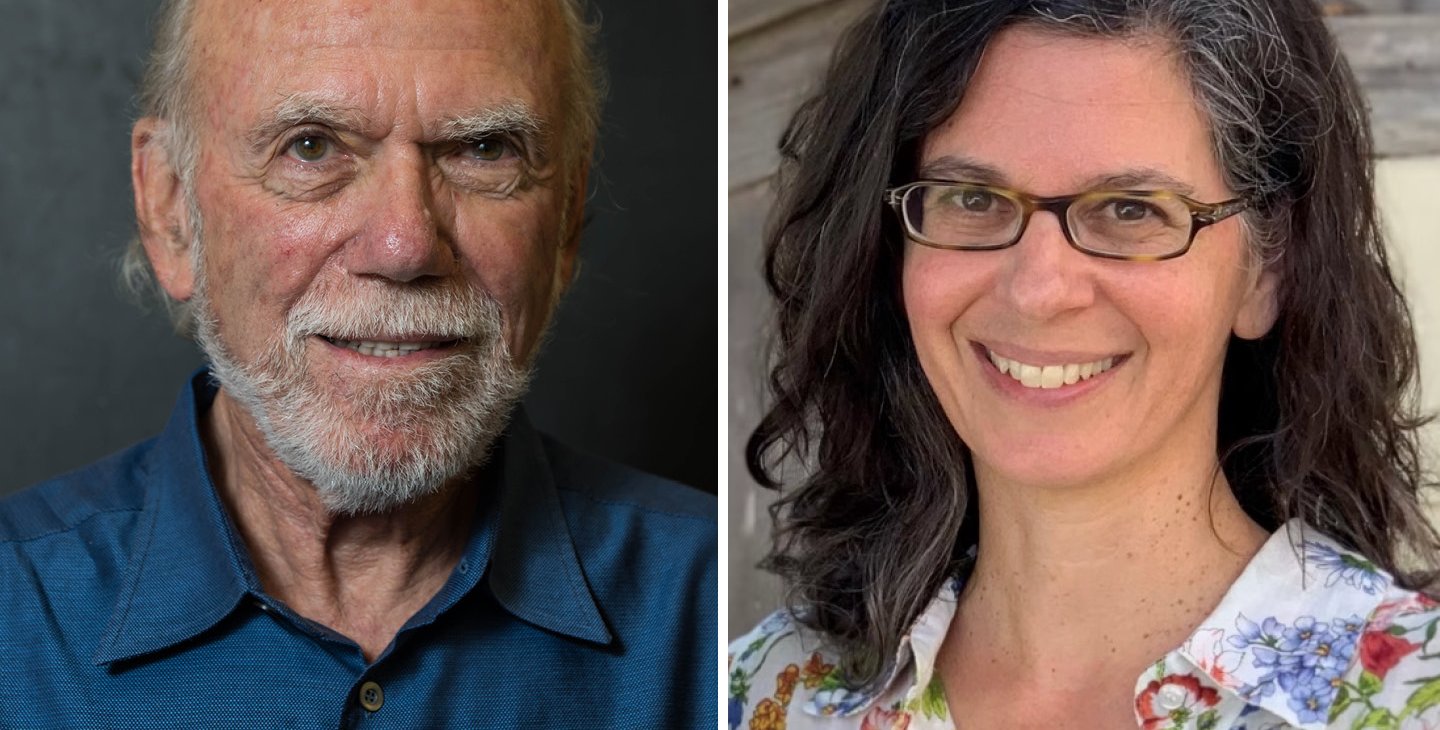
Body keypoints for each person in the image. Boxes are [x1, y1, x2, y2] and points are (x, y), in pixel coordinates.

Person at [0, 0, 715, 726]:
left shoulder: (710, 612)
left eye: (483, 149)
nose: (404, 247)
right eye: (311, 147)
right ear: (171, 208)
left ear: (565, 220)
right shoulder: (15, 616)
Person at [729, 0, 1439, 728]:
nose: (1038, 291)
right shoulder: (765, 694)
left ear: (1267, 271)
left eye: (1130, 210)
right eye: (973, 198)